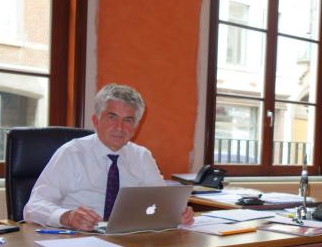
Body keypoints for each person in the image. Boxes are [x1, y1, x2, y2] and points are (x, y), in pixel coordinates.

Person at [24, 83, 194, 230]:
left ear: (136, 127)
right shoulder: (71, 153)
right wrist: (67, 217)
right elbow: (33, 207)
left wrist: (176, 213)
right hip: (77, 239)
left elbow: (161, 204)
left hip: (128, 240)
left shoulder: (142, 157)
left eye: (128, 120)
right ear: (96, 120)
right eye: (112, 117)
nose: (119, 127)